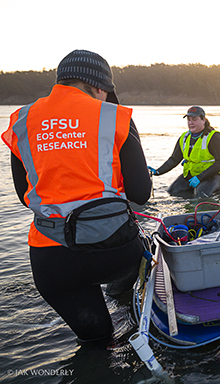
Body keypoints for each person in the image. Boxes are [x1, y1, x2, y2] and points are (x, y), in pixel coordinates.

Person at [1, 49, 152, 343]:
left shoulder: (22, 119)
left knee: (98, 340)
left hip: (52, 261)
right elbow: (141, 193)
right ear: (98, 86)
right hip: (114, 252)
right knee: (135, 271)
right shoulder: (114, 117)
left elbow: (24, 195)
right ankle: (130, 308)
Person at [148, 106, 220, 198]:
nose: (191, 123)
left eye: (194, 119)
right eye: (189, 120)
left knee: (202, 194)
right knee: (173, 191)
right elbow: (174, 160)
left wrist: (200, 177)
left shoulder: (214, 137)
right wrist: (158, 171)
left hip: (215, 177)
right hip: (193, 176)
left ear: (203, 120)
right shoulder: (184, 138)